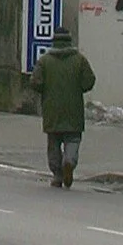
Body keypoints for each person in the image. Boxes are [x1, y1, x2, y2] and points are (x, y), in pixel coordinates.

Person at [29, 23, 97, 187]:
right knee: (73, 139)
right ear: (69, 41)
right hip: (74, 108)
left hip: (51, 108)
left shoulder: (44, 61)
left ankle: (57, 174)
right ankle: (69, 162)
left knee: (54, 141)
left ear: (54, 42)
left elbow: (35, 82)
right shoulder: (80, 60)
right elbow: (89, 81)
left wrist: (45, 89)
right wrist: (77, 87)